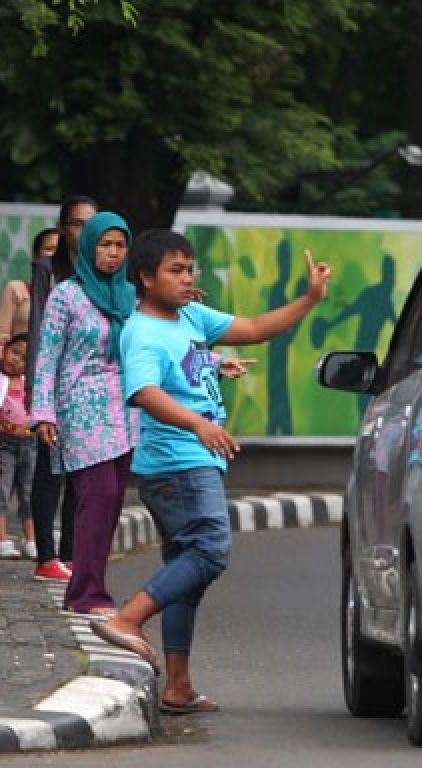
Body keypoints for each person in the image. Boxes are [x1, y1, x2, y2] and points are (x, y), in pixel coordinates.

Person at [89, 229, 332, 714]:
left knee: (189, 570)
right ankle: (127, 619)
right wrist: (199, 424)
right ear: (145, 278)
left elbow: (258, 327)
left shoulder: (192, 317)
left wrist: (309, 299)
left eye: (190, 269)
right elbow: (144, 392)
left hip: (194, 459)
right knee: (211, 550)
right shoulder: (142, 330)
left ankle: (177, 687)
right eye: (175, 271)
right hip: (179, 461)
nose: (187, 278)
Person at [31, 212, 137, 616]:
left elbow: (155, 346)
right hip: (80, 406)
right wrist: (43, 412)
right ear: (89, 246)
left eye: (119, 245)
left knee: (111, 504)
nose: (112, 253)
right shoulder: (67, 295)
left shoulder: (131, 296)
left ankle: (89, 587)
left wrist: (211, 362)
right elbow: (47, 357)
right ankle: (86, 593)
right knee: (98, 495)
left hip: (126, 410)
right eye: (104, 244)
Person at [27, 198, 97, 583]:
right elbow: (39, 326)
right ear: (63, 227)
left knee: (80, 470)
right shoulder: (48, 270)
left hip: (89, 386)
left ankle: (71, 552)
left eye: (91, 224)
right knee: (48, 471)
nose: (83, 232)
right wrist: (38, 391)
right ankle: (46, 554)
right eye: (76, 224)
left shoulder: (104, 273)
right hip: (53, 382)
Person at [0, 333, 36, 559]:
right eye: (14, 352)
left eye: (24, 358)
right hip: (3, 443)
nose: (16, 360)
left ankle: (31, 539)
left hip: (29, 442)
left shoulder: (28, 384)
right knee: (1, 490)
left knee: (29, 492)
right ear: (5, 349)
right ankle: (1, 539)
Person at [0, 228, 58, 346]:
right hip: (20, 362)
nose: (55, 255)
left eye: (60, 251)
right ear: (35, 256)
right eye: (49, 249)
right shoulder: (16, 289)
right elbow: (1, 337)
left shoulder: (73, 294)